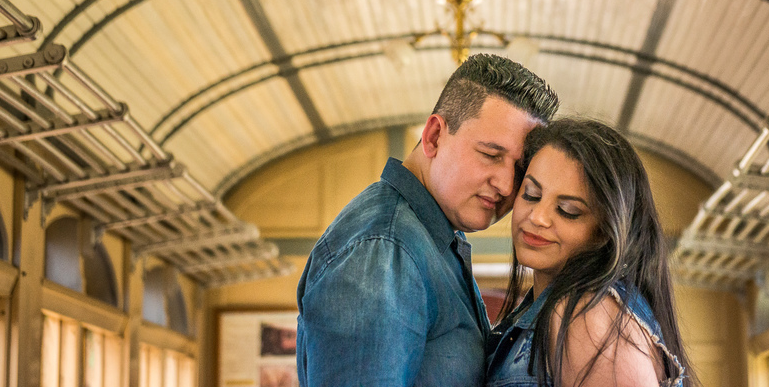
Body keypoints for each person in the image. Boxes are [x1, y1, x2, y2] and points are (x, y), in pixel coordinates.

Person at [296, 54, 559, 387]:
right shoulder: (383, 251)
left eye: (520, 169)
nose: (507, 185)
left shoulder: (426, 239)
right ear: (434, 135)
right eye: (491, 155)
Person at [487, 119, 697, 387]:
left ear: (604, 231)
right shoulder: (558, 309)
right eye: (531, 194)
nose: (537, 217)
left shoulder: (587, 315)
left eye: (568, 210)